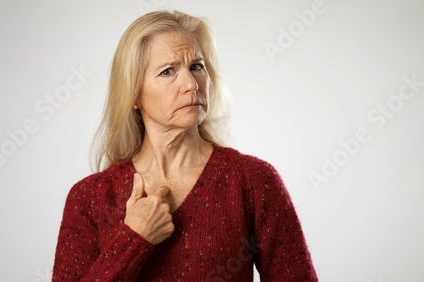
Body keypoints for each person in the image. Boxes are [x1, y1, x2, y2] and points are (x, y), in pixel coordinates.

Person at [52, 10, 317, 281]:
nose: (191, 84)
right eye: (168, 71)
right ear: (133, 93)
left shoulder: (253, 181)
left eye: (197, 67)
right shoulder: (89, 198)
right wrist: (133, 238)